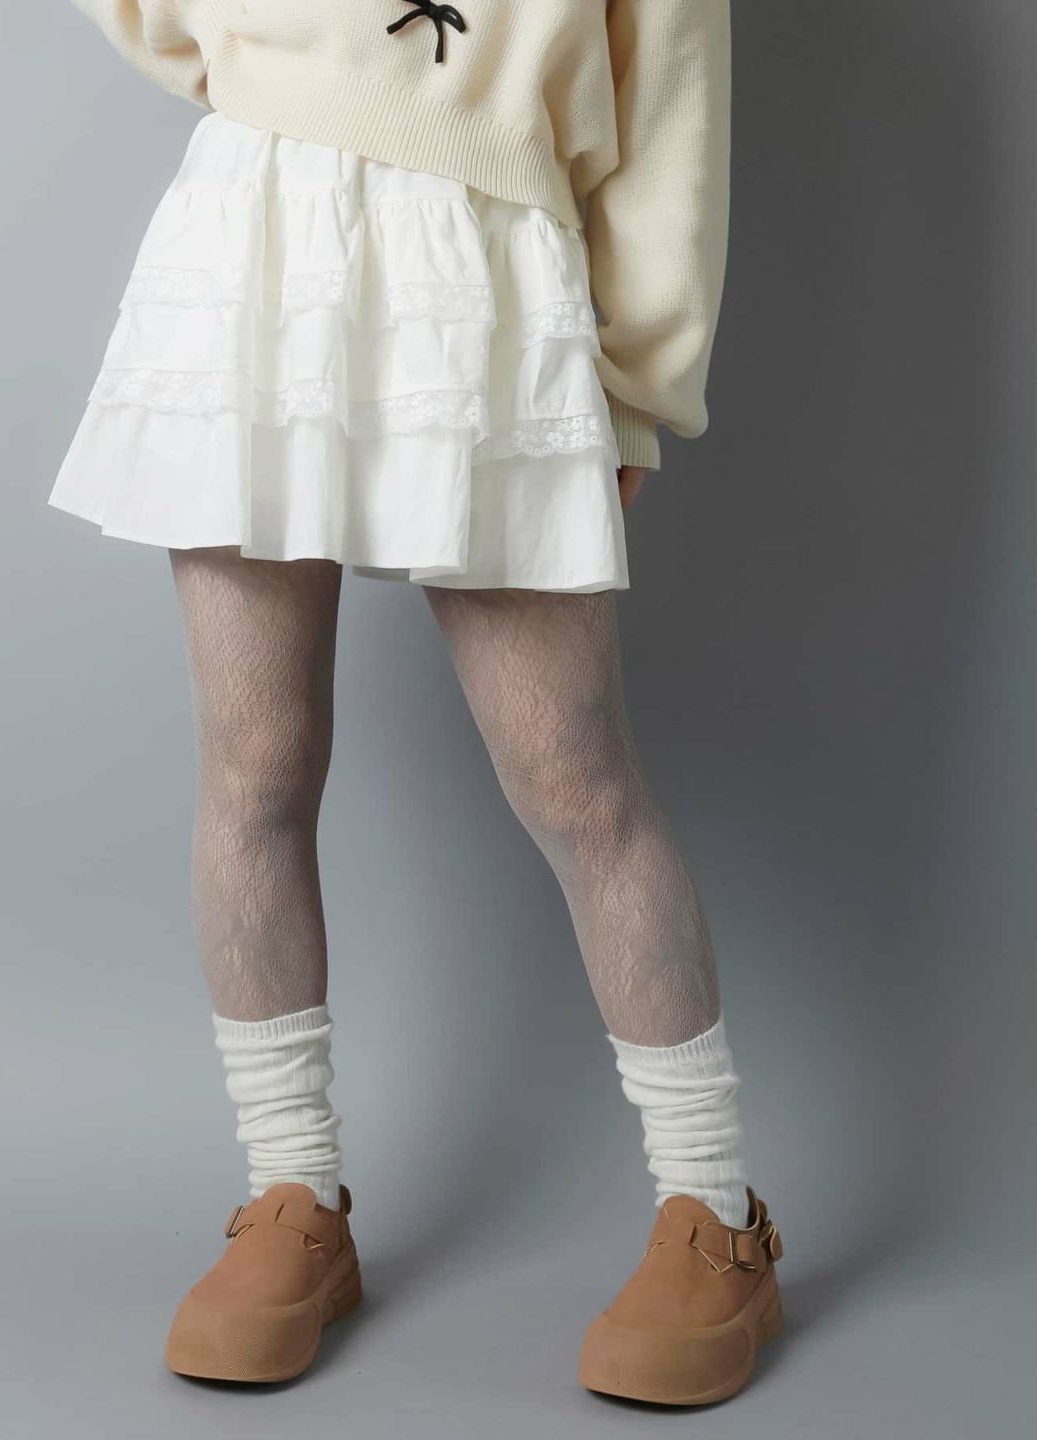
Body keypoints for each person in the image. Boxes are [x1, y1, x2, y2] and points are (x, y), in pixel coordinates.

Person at [53, 0, 782, 1405]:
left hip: (488, 255)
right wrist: (287, 77)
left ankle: (716, 1213)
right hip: (258, 232)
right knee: (254, 766)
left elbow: (671, 101)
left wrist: (639, 377)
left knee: (575, 783)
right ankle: (292, 1196)